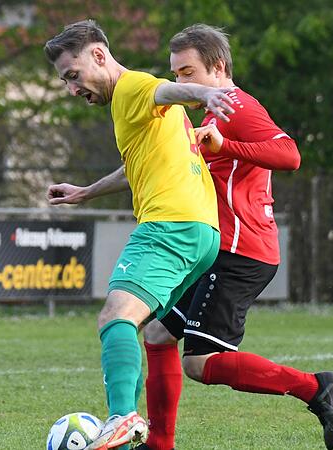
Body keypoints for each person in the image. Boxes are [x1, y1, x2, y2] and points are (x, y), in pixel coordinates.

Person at [50, 24, 333, 450]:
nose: (179, 81)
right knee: (156, 336)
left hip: (235, 245)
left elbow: (290, 155)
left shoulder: (230, 105)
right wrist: (86, 192)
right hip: (209, 238)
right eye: (176, 73)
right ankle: (158, 443)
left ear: (218, 67)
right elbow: (140, 161)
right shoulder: (190, 114)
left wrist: (216, 121)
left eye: (187, 72)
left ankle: (314, 387)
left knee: (192, 357)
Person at [44, 20, 236, 449]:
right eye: (65, 81)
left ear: (98, 55)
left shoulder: (132, 88)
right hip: (202, 232)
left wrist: (204, 92)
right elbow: (136, 164)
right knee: (149, 331)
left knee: (116, 316)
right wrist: (86, 192)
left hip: (170, 225)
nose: (72, 89)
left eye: (73, 76)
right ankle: (132, 435)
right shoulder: (127, 108)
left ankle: (122, 418)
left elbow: (166, 90)